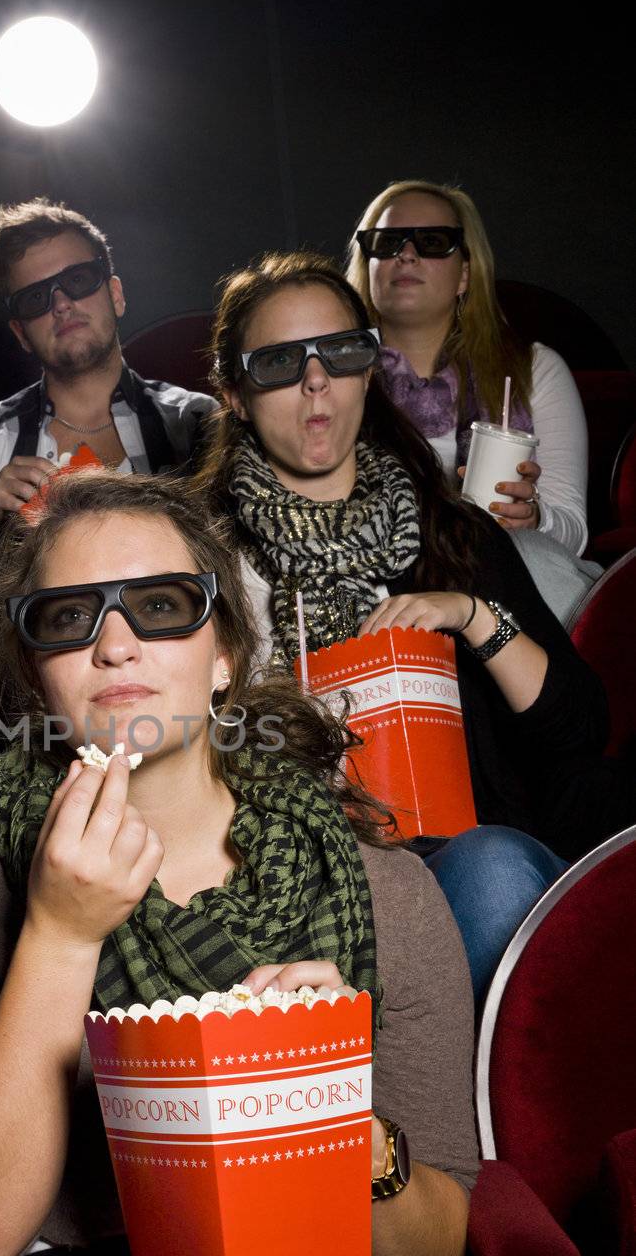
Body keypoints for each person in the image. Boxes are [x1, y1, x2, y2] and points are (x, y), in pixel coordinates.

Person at [0, 471, 500, 1256]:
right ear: (37, 675)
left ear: (222, 655)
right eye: (69, 618)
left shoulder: (386, 891)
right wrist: (61, 931)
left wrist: (329, 1105)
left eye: (161, 606)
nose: (115, 645)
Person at [199, 251, 632, 999]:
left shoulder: (453, 535)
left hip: (454, 854)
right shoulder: (195, 555)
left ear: (369, 370)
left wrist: (468, 616)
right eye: (277, 363)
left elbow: (577, 731)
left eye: (339, 353)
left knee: (494, 867)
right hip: (279, 867)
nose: (314, 382)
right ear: (234, 393)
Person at [0, 199, 217, 526]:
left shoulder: (198, 420)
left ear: (116, 296)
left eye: (78, 279)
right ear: (21, 333)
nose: (62, 304)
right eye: (35, 298)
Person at [346, 180, 589, 557]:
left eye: (433, 241)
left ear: (464, 274)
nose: (406, 254)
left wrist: (535, 518)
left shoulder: (534, 369)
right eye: (387, 241)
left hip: (504, 586)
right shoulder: (329, 375)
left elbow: (574, 532)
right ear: (368, 265)